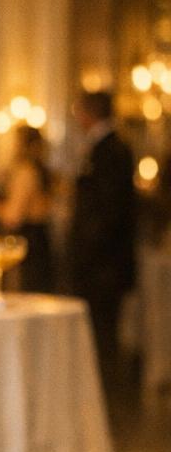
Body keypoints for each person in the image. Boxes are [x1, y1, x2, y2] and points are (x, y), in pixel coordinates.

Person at [68, 89, 137, 375]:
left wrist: (86, 249)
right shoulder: (104, 147)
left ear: (89, 112)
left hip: (103, 262)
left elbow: (109, 209)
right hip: (100, 259)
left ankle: (103, 389)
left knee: (102, 330)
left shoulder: (111, 149)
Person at [0, 123, 55, 293]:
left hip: (27, 244)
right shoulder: (40, 170)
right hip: (41, 240)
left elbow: (13, 217)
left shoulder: (25, 171)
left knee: (24, 296)